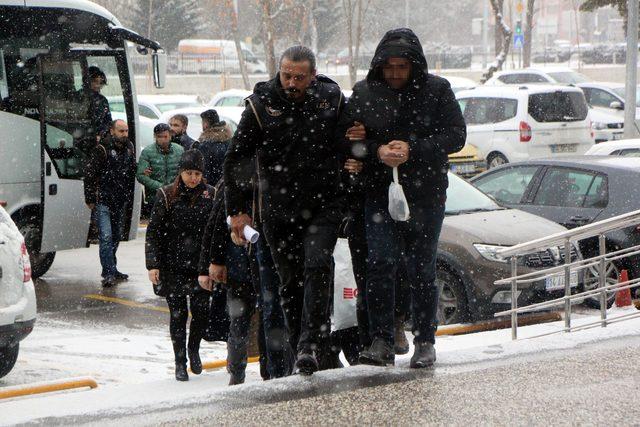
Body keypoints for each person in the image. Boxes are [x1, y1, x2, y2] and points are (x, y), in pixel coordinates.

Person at [342, 28, 466, 368]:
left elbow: (456, 136)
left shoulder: (437, 91)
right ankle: (381, 338)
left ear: (415, 66)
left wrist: (414, 149)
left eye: (402, 67)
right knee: (379, 264)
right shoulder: (365, 92)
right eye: (389, 67)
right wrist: (376, 150)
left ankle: (425, 340)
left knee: (421, 268)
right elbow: (348, 140)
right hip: (380, 193)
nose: (395, 74)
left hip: (425, 196)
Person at [224, 45, 345, 376]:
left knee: (318, 265)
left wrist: (356, 139)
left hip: (322, 205)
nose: (292, 83)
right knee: (290, 284)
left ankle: (311, 343)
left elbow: (346, 141)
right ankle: (299, 348)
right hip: (278, 209)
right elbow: (237, 159)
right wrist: (238, 211)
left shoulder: (330, 99)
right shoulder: (262, 104)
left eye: (299, 77)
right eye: (287, 75)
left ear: (313, 76)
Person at [145, 150, 216, 382]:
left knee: (201, 311)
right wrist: (153, 264)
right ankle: (179, 362)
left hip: (200, 265)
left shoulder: (211, 194)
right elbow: (153, 231)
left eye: (197, 173)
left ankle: (193, 348)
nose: (193, 178)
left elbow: (216, 231)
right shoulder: (166, 194)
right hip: (172, 264)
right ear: (181, 172)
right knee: (178, 315)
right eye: (189, 173)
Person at [83, 119, 136, 287]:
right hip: (103, 200)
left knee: (115, 237)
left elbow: (130, 172)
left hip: (119, 200)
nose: (125, 134)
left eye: (126, 131)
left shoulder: (129, 148)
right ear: (112, 131)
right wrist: (90, 198)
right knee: (106, 237)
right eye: (121, 131)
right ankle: (108, 272)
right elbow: (90, 175)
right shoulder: (102, 149)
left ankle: (112, 268)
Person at [136, 123, 184, 217]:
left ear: (170, 136)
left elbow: (183, 171)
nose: (163, 140)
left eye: (165, 136)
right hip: (155, 197)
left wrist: (175, 187)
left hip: (175, 195)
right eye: (159, 137)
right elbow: (140, 175)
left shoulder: (179, 150)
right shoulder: (148, 152)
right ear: (155, 136)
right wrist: (160, 187)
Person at [194, 109, 233, 184]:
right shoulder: (229, 140)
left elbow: (205, 170)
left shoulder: (205, 144)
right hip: (228, 184)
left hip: (212, 187)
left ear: (205, 124)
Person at [87, 66, 113, 141]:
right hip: (82, 137)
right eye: (95, 81)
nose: (98, 85)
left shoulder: (103, 100)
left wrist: (101, 134)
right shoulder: (79, 97)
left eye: (101, 83)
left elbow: (108, 121)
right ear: (87, 81)